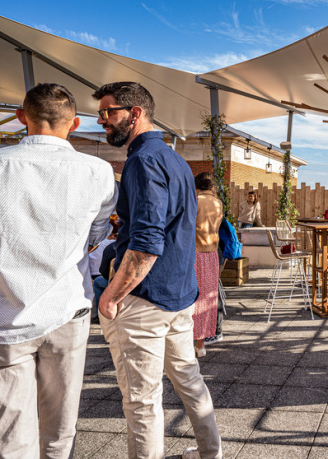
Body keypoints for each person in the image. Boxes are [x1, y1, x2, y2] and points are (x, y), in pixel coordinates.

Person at [0, 83, 117, 457]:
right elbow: (97, 232)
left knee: (7, 442)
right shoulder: (98, 171)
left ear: (21, 117)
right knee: (59, 435)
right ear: (74, 123)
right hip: (67, 312)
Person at [93, 81, 221, 459]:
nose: (101, 121)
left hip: (145, 299)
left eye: (107, 112)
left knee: (142, 400)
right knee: (189, 381)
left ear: (135, 114)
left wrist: (112, 295)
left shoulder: (143, 160)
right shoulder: (174, 159)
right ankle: (210, 452)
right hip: (178, 295)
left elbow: (147, 242)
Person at [193, 172, 224, 358]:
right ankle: (201, 344)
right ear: (211, 186)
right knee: (208, 299)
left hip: (195, 252)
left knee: (192, 297)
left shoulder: (194, 200)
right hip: (212, 252)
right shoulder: (218, 203)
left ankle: (188, 339)